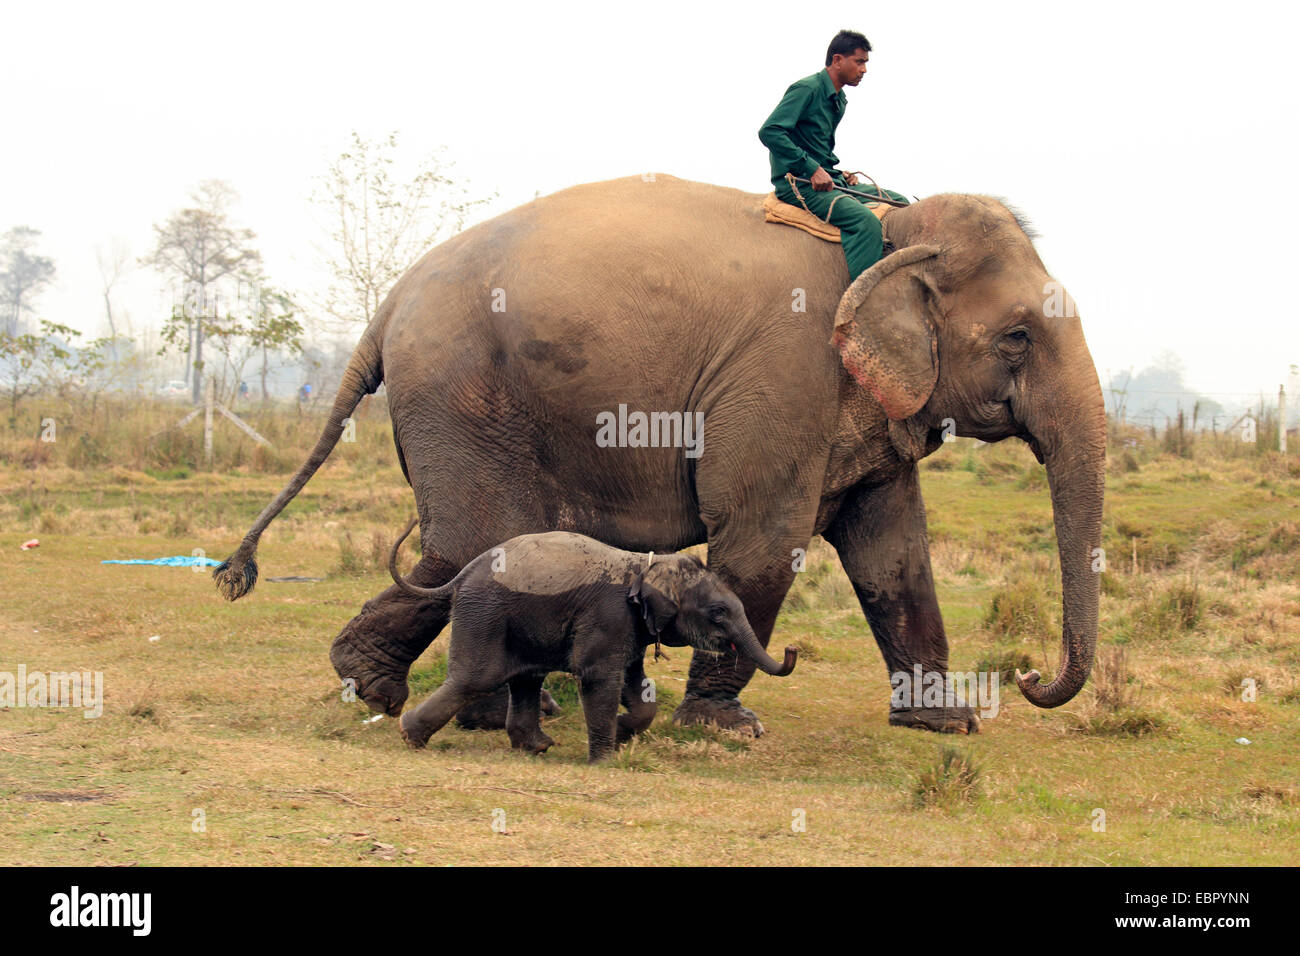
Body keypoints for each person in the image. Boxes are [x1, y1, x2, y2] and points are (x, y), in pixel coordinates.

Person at [759, 29, 910, 282]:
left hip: (829, 180)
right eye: (859, 62)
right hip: (800, 184)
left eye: (865, 63)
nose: (864, 70)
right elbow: (770, 131)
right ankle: (859, 304)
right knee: (865, 223)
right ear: (838, 60)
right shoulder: (807, 88)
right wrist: (811, 169)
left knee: (901, 203)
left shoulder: (839, 100)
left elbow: (816, 146)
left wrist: (835, 172)